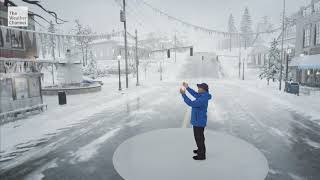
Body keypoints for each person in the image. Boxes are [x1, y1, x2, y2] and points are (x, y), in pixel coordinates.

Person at [180, 82, 212, 160]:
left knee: (199, 138)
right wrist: (187, 87)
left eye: (199, 88)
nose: (198, 89)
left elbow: (191, 103)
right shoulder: (202, 95)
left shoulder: (202, 99)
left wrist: (183, 94)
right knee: (198, 137)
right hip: (198, 120)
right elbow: (194, 93)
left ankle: (201, 155)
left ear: (203, 89)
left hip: (199, 122)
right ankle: (200, 150)